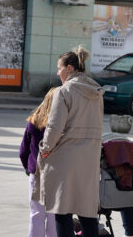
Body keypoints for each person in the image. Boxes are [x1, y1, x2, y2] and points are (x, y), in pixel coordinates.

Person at [33, 47, 104, 237]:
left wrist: (45, 148)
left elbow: (54, 126)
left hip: (65, 157)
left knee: (62, 211)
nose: (57, 73)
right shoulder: (96, 92)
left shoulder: (64, 91)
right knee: (87, 212)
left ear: (69, 69)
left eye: (59, 68)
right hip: (89, 158)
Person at [19, 88, 57, 237]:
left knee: (36, 215)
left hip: (36, 172)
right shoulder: (62, 125)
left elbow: (23, 150)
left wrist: (28, 167)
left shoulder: (33, 121)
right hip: (56, 173)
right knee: (54, 216)